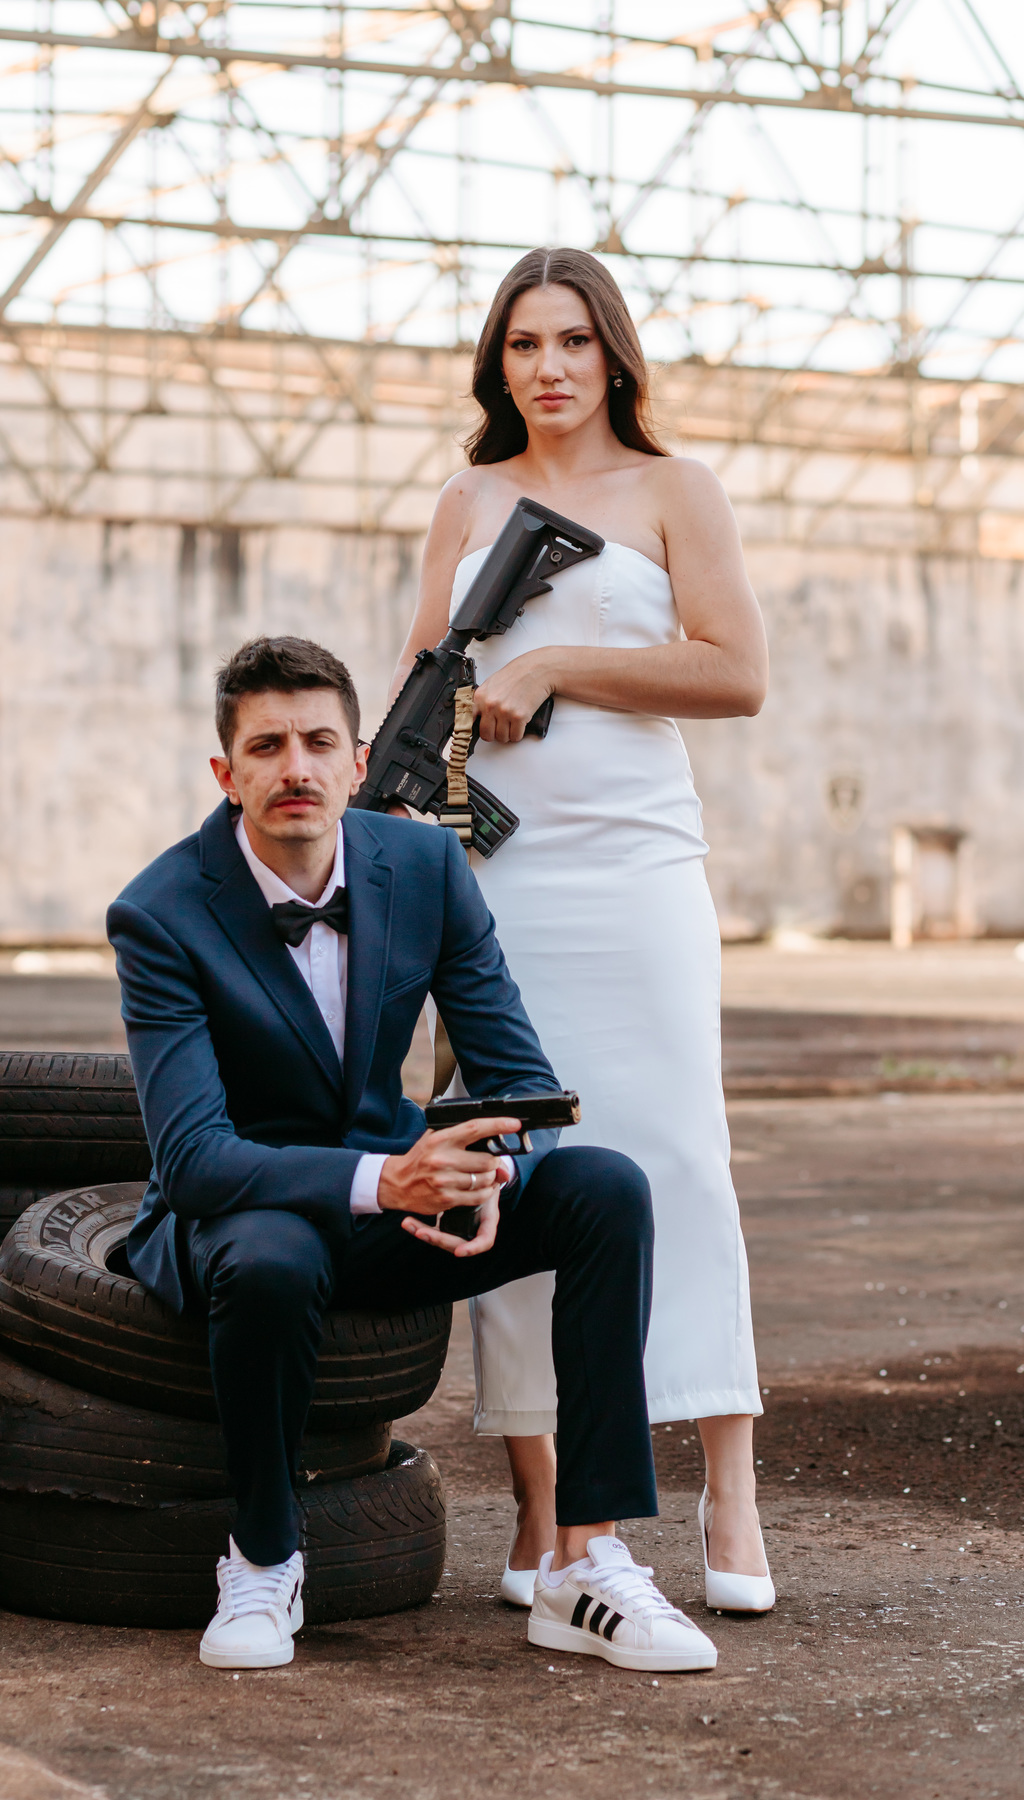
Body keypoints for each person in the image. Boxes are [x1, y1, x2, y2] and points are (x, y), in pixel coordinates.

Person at [107, 633, 718, 1674]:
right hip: (249, 1213)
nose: (295, 769)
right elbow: (196, 1158)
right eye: (266, 747)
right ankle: (262, 1558)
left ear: (357, 763)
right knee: (271, 1257)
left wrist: (498, 1168)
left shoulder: (426, 866)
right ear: (225, 771)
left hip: (401, 1206)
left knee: (605, 1188)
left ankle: (583, 1562)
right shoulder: (160, 913)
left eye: (318, 743)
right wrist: (386, 1180)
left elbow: (517, 1075)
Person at [390, 246, 775, 1616]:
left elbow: (735, 673)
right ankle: (548, 1509)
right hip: (502, 875)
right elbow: (423, 686)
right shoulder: (466, 500)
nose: (547, 367)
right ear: (495, 367)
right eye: (521, 344)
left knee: (679, 1153)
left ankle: (728, 1483)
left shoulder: (677, 490)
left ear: (613, 354)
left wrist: (556, 663)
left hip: (638, 864)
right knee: (515, 1154)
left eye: (570, 340)